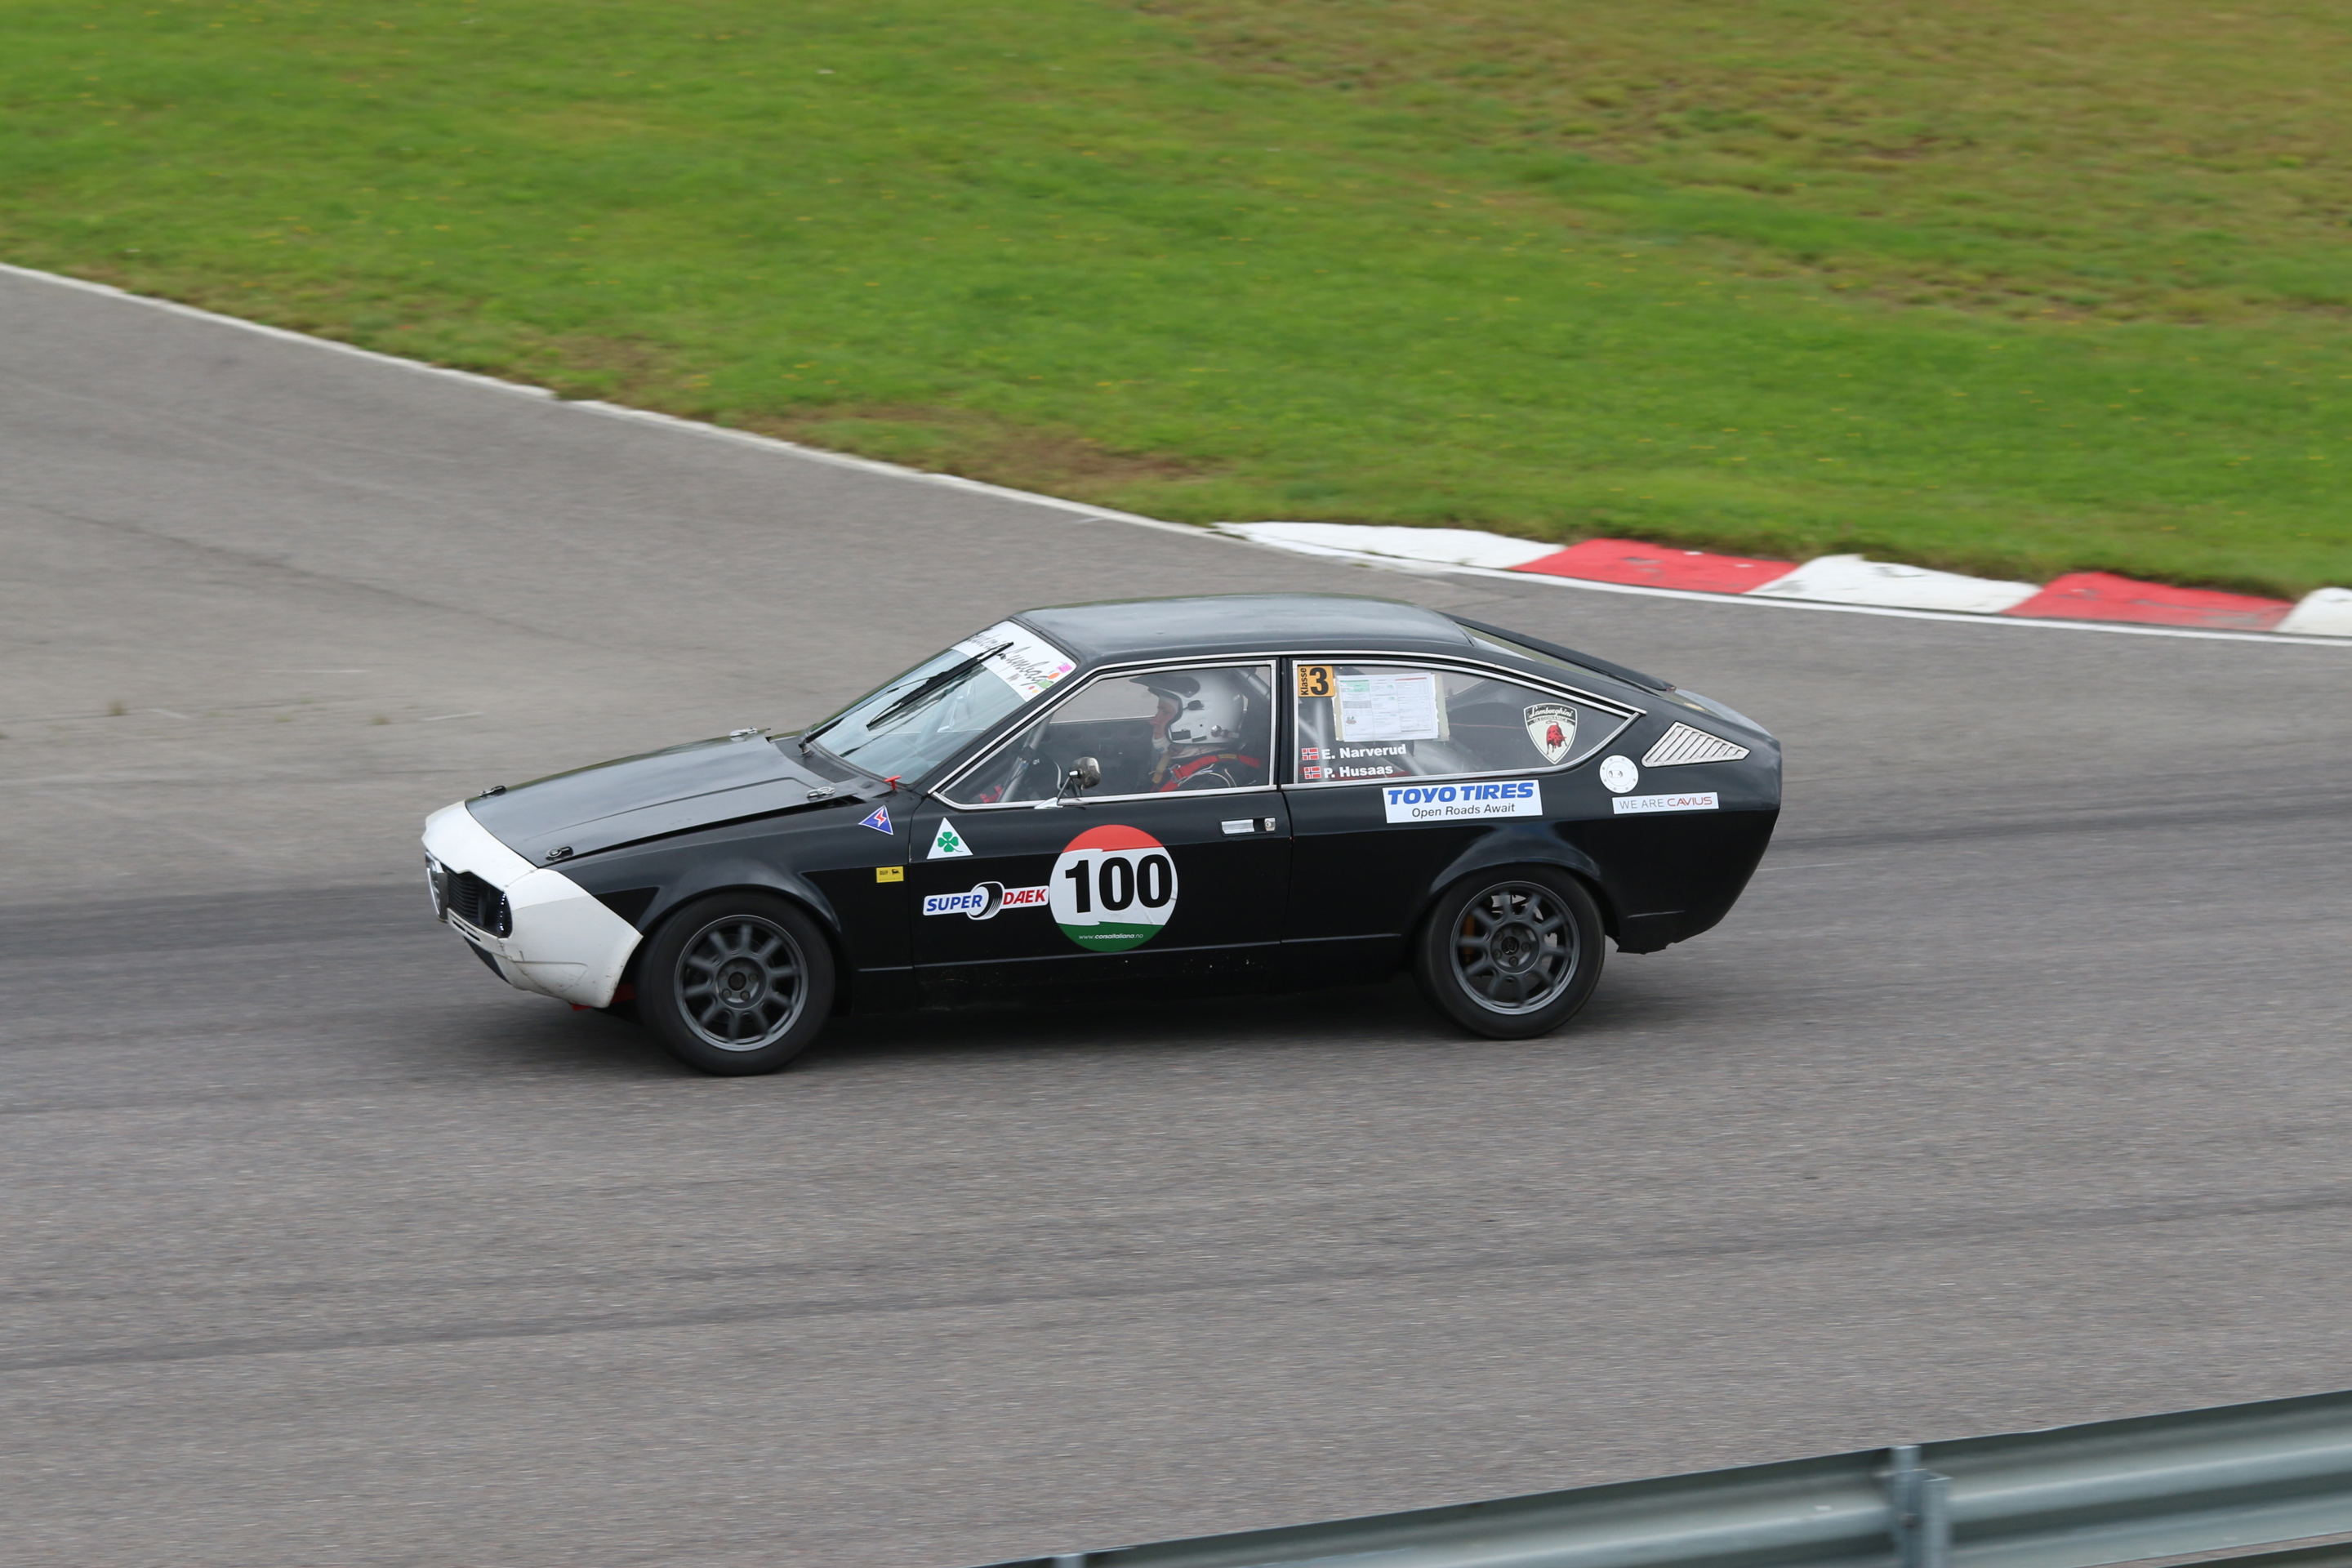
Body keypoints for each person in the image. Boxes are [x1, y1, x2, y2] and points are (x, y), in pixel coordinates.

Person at [1146, 670, 1266, 791]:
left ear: (1199, 719)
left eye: (1165, 712)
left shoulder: (1209, 783)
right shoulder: (1180, 763)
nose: (1154, 721)